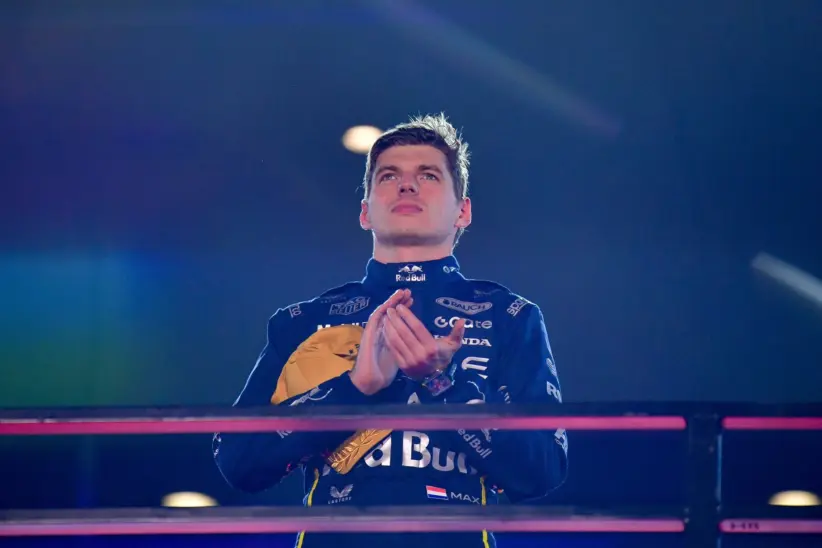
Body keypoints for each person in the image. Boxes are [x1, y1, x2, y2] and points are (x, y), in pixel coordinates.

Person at [213, 113, 569, 548]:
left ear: (463, 211)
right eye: (389, 176)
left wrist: (441, 384)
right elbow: (237, 461)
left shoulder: (510, 316)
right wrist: (353, 389)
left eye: (428, 175)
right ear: (365, 212)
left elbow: (542, 470)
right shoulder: (302, 321)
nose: (407, 185)